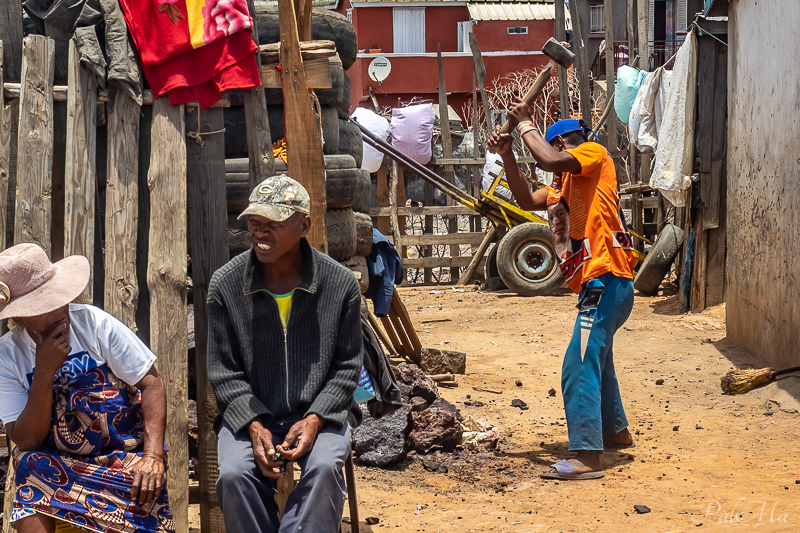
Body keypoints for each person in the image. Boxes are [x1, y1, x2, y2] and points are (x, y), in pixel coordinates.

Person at [489, 102, 637, 480]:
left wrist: (524, 125)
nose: (561, 149)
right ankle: (615, 431)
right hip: (600, 283)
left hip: (606, 280)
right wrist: (508, 156)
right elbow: (525, 200)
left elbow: (552, 160)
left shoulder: (595, 155)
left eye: (564, 142)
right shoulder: (563, 186)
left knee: (579, 363)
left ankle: (588, 457)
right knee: (598, 360)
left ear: (577, 141)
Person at [207, 175, 363, 532]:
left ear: (303, 224)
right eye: (255, 223)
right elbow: (223, 371)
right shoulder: (226, 286)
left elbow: (347, 367)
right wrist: (254, 424)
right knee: (233, 475)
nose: (261, 233)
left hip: (320, 413)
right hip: (252, 415)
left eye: (273, 225)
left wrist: (315, 418)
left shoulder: (339, 285)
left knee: (324, 468)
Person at [0, 243, 173, 532]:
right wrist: (43, 371)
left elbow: (151, 382)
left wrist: (152, 456)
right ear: (18, 316)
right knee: (28, 463)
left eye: (58, 299)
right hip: (58, 468)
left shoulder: (93, 324)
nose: (57, 310)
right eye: (42, 307)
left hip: (122, 458)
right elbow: (26, 440)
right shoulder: (8, 356)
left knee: (143, 481)